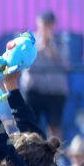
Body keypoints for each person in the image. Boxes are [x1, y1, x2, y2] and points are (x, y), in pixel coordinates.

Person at [20, 11, 71, 141]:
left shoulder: (60, 41)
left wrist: (50, 45)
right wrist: (42, 44)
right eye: (44, 24)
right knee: (31, 126)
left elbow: (65, 63)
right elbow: (27, 62)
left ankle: (57, 156)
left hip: (55, 92)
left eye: (49, 24)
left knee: (54, 127)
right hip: (34, 90)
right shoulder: (30, 41)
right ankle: (30, 153)